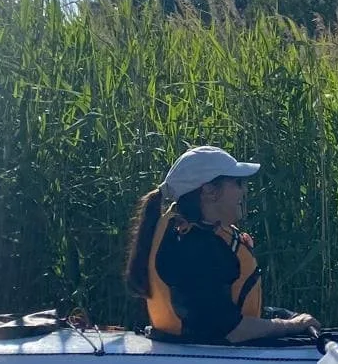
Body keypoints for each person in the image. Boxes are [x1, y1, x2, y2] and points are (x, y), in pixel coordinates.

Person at [124, 146, 320, 343]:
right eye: (237, 182)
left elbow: (224, 309)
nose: (244, 189)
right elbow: (232, 330)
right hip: (202, 360)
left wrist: (289, 316)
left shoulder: (201, 237)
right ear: (209, 191)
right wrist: (291, 326)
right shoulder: (191, 248)